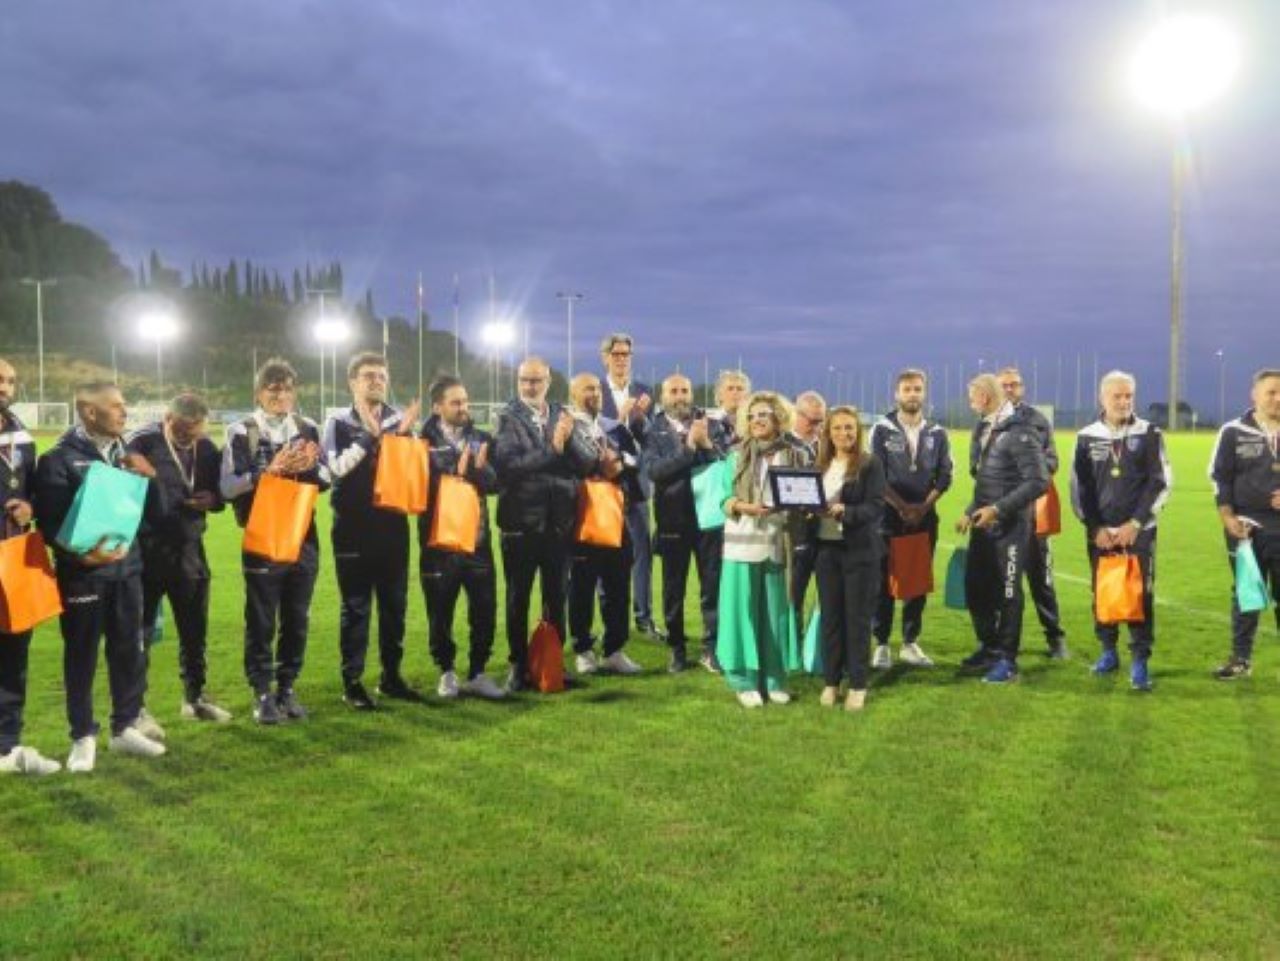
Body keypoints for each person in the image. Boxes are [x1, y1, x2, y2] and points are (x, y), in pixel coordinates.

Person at [34, 382, 168, 771]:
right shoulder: (58, 460)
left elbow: (156, 517)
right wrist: (82, 556)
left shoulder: (128, 455)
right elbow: (51, 526)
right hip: (83, 578)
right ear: (90, 412)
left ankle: (124, 728)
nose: (125, 413)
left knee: (129, 651)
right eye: (117, 407)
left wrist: (151, 477)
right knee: (82, 656)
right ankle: (82, 736)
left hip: (128, 573)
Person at [221, 358, 329, 724]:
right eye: (272, 389)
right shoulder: (242, 431)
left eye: (286, 388)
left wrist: (308, 469)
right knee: (262, 620)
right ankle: (262, 693)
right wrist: (270, 471)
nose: (280, 395)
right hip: (264, 536)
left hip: (303, 536)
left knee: (297, 618)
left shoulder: (308, 427)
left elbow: (327, 477)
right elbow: (227, 486)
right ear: (259, 393)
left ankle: (287, 688)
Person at [322, 351, 421, 711]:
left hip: (393, 527)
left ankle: (391, 677)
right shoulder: (337, 422)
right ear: (353, 382)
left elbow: (412, 475)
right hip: (352, 527)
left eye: (381, 375)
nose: (376, 380)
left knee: (395, 606)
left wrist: (405, 439)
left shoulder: (400, 420)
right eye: (368, 375)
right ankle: (352, 682)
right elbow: (334, 468)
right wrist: (369, 437)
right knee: (357, 607)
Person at [126, 391, 232, 722]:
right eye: (183, 430)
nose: (189, 437)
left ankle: (194, 698)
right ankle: (136, 708)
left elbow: (219, 496)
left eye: (196, 430)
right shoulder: (141, 440)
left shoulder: (207, 447)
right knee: (139, 634)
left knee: (194, 629)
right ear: (168, 420)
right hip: (146, 551)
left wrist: (210, 499)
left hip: (189, 550)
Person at [493, 357, 595, 692]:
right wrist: (554, 449)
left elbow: (586, 462)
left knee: (556, 598)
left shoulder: (563, 415)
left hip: (558, 526)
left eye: (536, 380)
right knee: (518, 599)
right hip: (520, 525)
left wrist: (567, 441)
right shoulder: (506, 418)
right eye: (524, 380)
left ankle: (553, 663)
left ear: (548, 381)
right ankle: (518, 665)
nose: (530, 386)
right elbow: (510, 467)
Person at [1070, 371, 1171, 691]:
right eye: (1118, 396)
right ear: (1102, 398)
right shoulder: (1087, 436)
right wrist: (1094, 527)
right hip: (1101, 533)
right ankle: (1108, 651)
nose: (1125, 401)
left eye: (1129, 395)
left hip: (1138, 530)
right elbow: (1079, 488)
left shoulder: (1149, 432)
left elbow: (1160, 482)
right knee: (1103, 592)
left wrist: (1136, 523)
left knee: (1141, 593)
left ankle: (1140, 659)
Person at [956, 374, 1049, 684]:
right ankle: (990, 648)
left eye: (972, 396)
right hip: (984, 526)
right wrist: (971, 511)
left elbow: (1038, 481)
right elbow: (989, 481)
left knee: (1009, 593)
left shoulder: (1021, 431)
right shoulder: (986, 429)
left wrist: (997, 510)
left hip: (1010, 528)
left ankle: (1008, 661)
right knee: (974, 589)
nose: (970, 402)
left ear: (983, 397)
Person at [418, 376, 506, 700]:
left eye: (466, 402)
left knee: (484, 609)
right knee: (439, 612)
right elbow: (418, 488)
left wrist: (476, 472)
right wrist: (455, 468)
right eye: (456, 403)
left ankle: (479, 672)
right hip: (438, 544)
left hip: (477, 541)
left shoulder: (482, 438)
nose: (463, 408)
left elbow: (496, 483)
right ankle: (447, 671)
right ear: (437, 406)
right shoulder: (422, 442)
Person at [716, 391, 803, 707]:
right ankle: (743, 679)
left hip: (778, 544)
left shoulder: (794, 455)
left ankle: (774, 678)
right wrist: (744, 506)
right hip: (741, 544)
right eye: (751, 417)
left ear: (779, 418)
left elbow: (804, 496)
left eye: (763, 415)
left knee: (775, 613)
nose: (756, 421)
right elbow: (722, 499)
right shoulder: (735, 455)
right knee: (742, 614)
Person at [646, 374, 733, 673]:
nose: (680, 395)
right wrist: (688, 450)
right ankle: (677, 648)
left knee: (713, 587)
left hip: (709, 519)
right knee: (673, 589)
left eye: (685, 390)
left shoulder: (713, 424)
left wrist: (706, 443)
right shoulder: (653, 429)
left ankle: (712, 648)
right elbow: (655, 472)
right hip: (672, 519)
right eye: (674, 391)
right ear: (663, 395)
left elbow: (726, 464)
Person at [0, 358, 61, 775]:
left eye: (9, 380)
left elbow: (30, 486)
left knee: (13, 651)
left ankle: (7, 745)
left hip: (14, 554)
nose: (4, 386)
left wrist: (30, 507)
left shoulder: (19, 430)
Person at [869, 369, 952, 668]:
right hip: (887, 518)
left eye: (917, 389)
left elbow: (945, 476)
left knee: (916, 581)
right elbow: (874, 474)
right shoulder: (881, 429)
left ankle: (909, 642)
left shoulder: (937, 433)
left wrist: (922, 508)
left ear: (924, 393)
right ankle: (880, 644)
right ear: (897, 394)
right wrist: (903, 507)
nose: (912, 394)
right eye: (907, 389)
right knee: (882, 582)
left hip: (924, 518)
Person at [567, 372, 643, 676]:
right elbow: (573, 463)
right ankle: (583, 649)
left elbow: (637, 461)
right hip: (582, 516)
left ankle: (614, 649)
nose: (595, 394)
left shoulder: (610, 427)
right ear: (573, 394)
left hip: (613, 514)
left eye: (597, 389)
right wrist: (606, 465)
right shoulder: (568, 424)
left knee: (617, 584)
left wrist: (619, 463)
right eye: (587, 389)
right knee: (582, 586)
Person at [811, 406, 886, 712]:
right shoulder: (819, 465)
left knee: (856, 620)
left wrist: (847, 511)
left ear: (858, 431)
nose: (844, 433)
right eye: (838, 428)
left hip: (860, 553)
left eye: (850, 428)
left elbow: (876, 507)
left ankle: (857, 685)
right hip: (826, 551)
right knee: (831, 619)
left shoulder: (869, 464)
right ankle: (831, 682)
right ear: (828, 432)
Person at [1210, 368, 1280, 679]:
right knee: (1246, 594)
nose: (1278, 399)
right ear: (1255, 395)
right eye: (1272, 392)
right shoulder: (1233, 431)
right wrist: (1227, 516)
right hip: (1246, 529)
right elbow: (1219, 477)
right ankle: (1241, 660)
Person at [996, 366, 1067, 657]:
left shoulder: (1037, 421)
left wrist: (1027, 475)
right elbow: (979, 466)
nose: (1011, 389)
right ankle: (1000, 643)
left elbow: (1052, 461)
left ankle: (1055, 638)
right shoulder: (990, 424)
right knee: (1004, 581)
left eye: (1015, 385)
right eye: (1005, 385)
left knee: (1042, 579)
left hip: (1034, 512)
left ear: (1022, 388)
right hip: (1001, 515)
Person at [597, 333, 662, 641]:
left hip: (636, 483)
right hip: (605, 483)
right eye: (616, 353)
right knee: (604, 551)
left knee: (641, 554)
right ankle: (608, 617)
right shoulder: (594, 390)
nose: (622, 358)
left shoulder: (644, 392)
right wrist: (619, 419)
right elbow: (591, 431)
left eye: (626, 354)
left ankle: (644, 617)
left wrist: (640, 420)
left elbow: (650, 441)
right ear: (605, 357)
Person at [787, 390, 826, 637]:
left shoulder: (828, 444)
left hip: (826, 531)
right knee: (793, 593)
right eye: (811, 420)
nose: (815, 426)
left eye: (820, 420)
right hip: (794, 531)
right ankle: (792, 644)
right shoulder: (782, 443)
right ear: (796, 414)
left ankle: (819, 648)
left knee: (827, 594)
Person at [707, 369, 750, 445]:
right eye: (730, 389)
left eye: (740, 389)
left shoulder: (752, 422)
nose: (735, 392)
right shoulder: (709, 421)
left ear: (747, 396)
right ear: (720, 395)